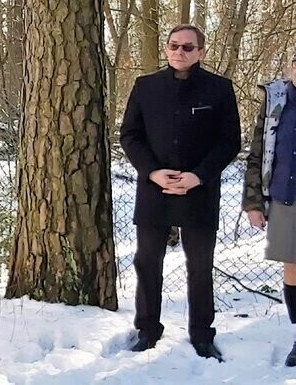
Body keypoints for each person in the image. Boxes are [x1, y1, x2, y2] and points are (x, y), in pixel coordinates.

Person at [119, 24, 241, 361]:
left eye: (188, 47)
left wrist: (198, 176)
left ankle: (202, 334)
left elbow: (229, 141)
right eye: (174, 46)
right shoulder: (146, 87)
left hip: (198, 190)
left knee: (200, 266)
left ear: (201, 51)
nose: (179, 52)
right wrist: (153, 172)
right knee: (147, 262)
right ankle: (147, 329)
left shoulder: (219, 89)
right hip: (155, 189)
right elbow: (130, 135)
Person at [242, 54, 296, 366]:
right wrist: (253, 202)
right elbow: (259, 152)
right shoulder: (276, 99)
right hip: (284, 196)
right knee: (292, 268)